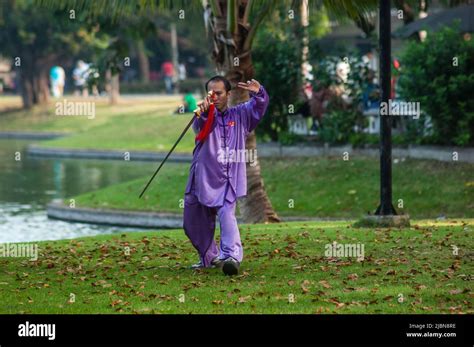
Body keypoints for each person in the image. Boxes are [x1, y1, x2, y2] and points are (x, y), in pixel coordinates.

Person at [183, 76, 269, 276]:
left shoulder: (241, 114)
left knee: (226, 213)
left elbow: (258, 108)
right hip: (202, 177)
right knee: (192, 221)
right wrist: (205, 113)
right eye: (210, 94)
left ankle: (231, 257)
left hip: (228, 178)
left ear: (228, 95)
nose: (214, 97)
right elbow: (202, 129)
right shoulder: (201, 114)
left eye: (219, 93)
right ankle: (210, 257)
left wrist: (259, 93)